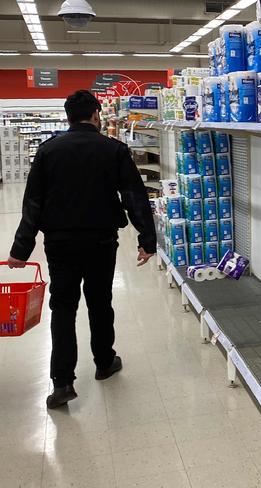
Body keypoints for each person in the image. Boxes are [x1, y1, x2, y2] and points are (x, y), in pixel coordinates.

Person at [6, 90, 157, 409]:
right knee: (100, 301)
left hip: (60, 243)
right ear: (95, 115)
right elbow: (133, 195)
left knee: (62, 307)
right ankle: (104, 362)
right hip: (101, 241)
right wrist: (147, 239)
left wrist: (21, 249)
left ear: (67, 117)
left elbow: (33, 202)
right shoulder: (113, 149)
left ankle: (62, 383)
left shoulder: (48, 151)